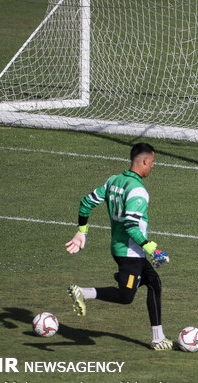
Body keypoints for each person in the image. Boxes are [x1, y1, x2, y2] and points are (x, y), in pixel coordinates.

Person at [65, 142, 173, 350]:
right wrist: (152, 248)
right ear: (144, 161)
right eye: (152, 162)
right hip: (129, 252)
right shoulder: (138, 191)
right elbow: (131, 225)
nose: (152, 166)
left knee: (154, 283)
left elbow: (86, 201)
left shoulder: (114, 181)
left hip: (123, 249)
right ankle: (83, 292)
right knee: (125, 297)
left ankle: (158, 339)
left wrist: (82, 230)